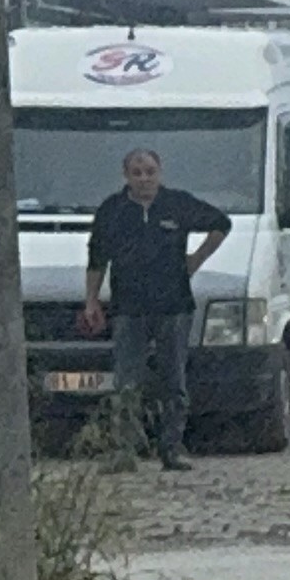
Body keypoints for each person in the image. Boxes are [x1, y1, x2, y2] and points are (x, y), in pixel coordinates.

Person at [79, 148, 232, 472]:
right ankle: (124, 451)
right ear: (126, 176)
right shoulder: (112, 210)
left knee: (173, 382)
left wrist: (197, 259)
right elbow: (96, 259)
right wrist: (92, 300)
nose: (144, 178)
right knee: (126, 383)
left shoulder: (177, 204)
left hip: (174, 306)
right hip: (128, 309)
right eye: (137, 172)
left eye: (150, 171)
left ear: (159, 172)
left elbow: (221, 223)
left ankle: (172, 449)